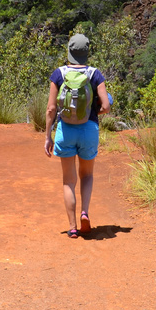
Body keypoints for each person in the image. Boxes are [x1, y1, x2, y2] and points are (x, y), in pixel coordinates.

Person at [44, 34, 110, 238]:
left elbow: (51, 109)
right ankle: (85, 213)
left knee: (68, 181)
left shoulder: (59, 74)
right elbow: (106, 106)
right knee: (87, 175)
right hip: (88, 129)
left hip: (66, 130)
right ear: (87, 52)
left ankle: (72, 227)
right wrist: (93, 113)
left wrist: (48, 136)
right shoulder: (95, 74)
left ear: (69, 51)